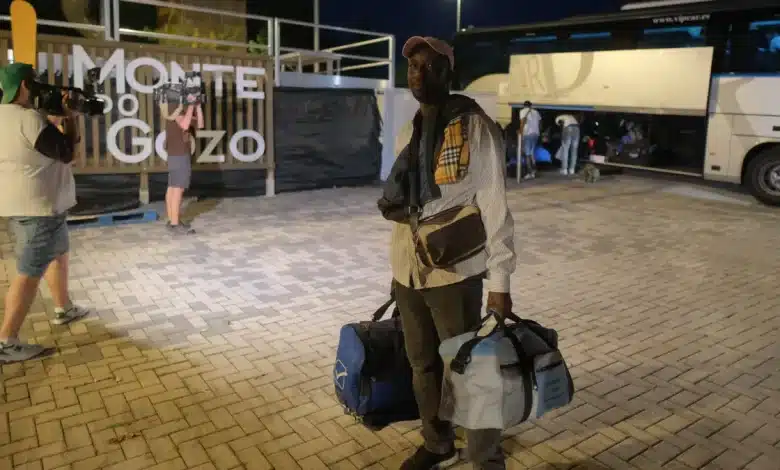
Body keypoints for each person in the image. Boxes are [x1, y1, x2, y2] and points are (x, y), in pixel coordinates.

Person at [378, 36, 516, 470]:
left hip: (455, 275)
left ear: (447, 73)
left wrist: (500, 285)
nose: (418, 74)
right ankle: (438, 444)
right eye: (412, 67)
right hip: (409, 271)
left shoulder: (475, 127)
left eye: (428, 66)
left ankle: (487, 458)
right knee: (422, 365)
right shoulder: (409, 129)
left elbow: (495, 206)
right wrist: (397, 272)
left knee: (470, 371)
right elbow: (404, 205)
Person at [0, 62, 90, 363]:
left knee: (58, 253)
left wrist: (51, 119)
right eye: (34, 83)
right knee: (28, 273)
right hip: (39, 208)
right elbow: (66, 151)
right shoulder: (27, 118)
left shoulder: (4, 116)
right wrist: (70, 117)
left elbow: (34, 149)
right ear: (25, 85)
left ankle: (64, 308)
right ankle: (6, 340)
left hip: (26, 205)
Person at [164, 100, 201, 235]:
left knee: (173, 187)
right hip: (179, 155)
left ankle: (172, 220)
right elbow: (185, 125)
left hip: (176, 155)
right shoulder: (175, 110)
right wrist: (191, 105)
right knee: (177, 189)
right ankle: (175, 224)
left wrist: (198, 106)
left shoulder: (174, 111)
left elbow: (200, 124)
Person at [518, 100, 541, 180]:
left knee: (527, 154)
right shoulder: (536, 112)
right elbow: (540, 123)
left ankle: (529, 172)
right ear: (530, 105)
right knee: (532, 153)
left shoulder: (523, 111)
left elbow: (523, 121)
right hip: (536, 134)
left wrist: (520, 132)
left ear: (524, 106)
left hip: (527, 134)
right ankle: (534, 171)